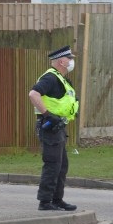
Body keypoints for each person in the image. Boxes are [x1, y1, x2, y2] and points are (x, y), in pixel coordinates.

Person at [27, 45, 79, 212]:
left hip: (58, 127)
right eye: (70, 59)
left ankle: (57, 199)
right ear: (61, 61)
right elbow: (33, 94)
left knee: (61, 165)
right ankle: (45, 201)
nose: (72, 62)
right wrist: (48, 114)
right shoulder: (50, 78)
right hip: (50, 127)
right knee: (52, 164)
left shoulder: (61, 78)